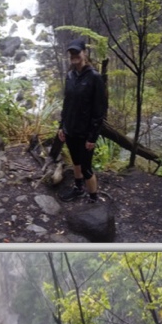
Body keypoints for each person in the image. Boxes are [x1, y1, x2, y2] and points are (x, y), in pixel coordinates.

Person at [57, 39, 108, 203]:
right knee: (76, 161)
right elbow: (67, 103)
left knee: (86, 167)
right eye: (71, 53)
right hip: (71, 129)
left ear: (84, 53)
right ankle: (78, 189)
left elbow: (99, 110)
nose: (74, 56)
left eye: (77, 52)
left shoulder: (94, 77)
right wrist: (62, 126)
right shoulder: (71, 75)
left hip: (85, 132)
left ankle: (93, 198)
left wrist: (92, 137)